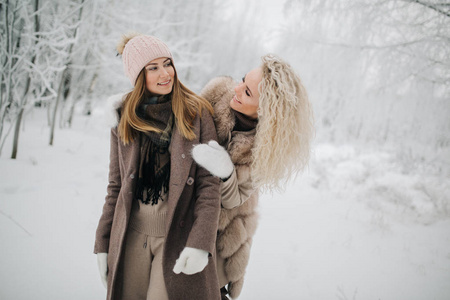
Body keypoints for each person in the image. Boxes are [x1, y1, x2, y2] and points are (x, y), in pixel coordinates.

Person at [94, 33, 221, 300]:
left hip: (176, 237)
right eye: (153, 67)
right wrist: (103, 242)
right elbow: (116, 186)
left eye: (167, 63)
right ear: (138, 75)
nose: (165, 73)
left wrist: (200, 244)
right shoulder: (123, 116)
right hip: (131, 236)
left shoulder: (197, 113)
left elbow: (209, 185)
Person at [192, 54, 314, 299]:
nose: (236, 89)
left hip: (221, 236)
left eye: (247, 92)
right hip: (182, 217)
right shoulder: (217, 92)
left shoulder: (266, 148)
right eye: (242, 80)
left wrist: (225, 172)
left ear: (266, 110)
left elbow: (233, 199)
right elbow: (178, 120)